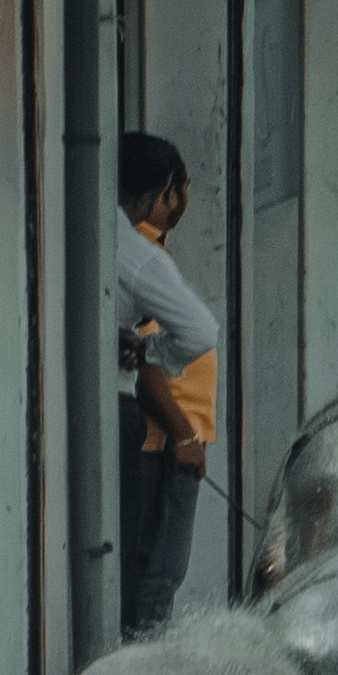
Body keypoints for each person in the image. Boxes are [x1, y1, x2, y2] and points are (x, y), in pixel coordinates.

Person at [113, 129, 219, 634]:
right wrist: (184, 434)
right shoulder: (139, 258)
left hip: (169, 438)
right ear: (157, 194)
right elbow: (150, 370)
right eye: (178, 190)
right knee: (156, 580)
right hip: (165, 442)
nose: (181, 204)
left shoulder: (139, 251)